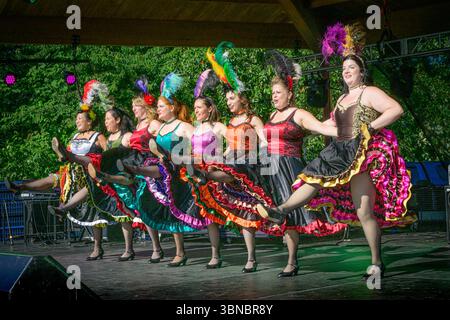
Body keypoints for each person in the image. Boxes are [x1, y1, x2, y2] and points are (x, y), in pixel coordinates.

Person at [257, 24, 416, 278]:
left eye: (351, 68)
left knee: (364, 212)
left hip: (360, 154)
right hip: (339, 151)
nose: (346, 72)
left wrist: (369, 127)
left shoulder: (370, 92)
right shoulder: (342, 100)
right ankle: (281, 210)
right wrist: (310, 126)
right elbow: (332, 125)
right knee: (311, 176)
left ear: (361, 72)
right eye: (343, 69)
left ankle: (376, 262)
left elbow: (396, 110)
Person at [259, 50, 348, 277]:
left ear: (290, 94)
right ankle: (291, 260)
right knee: (281, 215)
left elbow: (322, 129)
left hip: (290, 169)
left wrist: (347, 130)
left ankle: (291, 261)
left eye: (278, 93)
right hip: (271, 170)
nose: (274, 96)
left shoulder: (299, 114)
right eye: (272, 93)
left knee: (290, 215)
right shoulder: (271, 114)